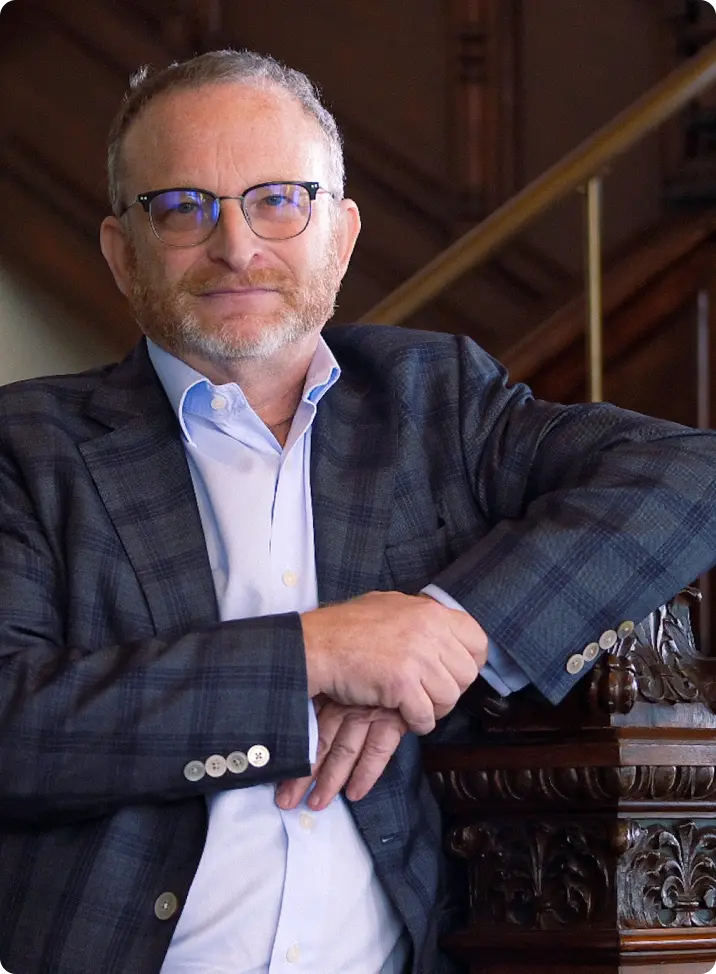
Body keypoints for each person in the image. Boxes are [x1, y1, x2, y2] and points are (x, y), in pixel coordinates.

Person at [0, 48, 715, 974]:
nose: (236, 246)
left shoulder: (436, 400)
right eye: (183, 207)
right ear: (120, 253)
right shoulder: (28, 448)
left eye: (278, 200)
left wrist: (447, 628)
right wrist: (314, 654)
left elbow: (690, 472)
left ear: (339, 236)